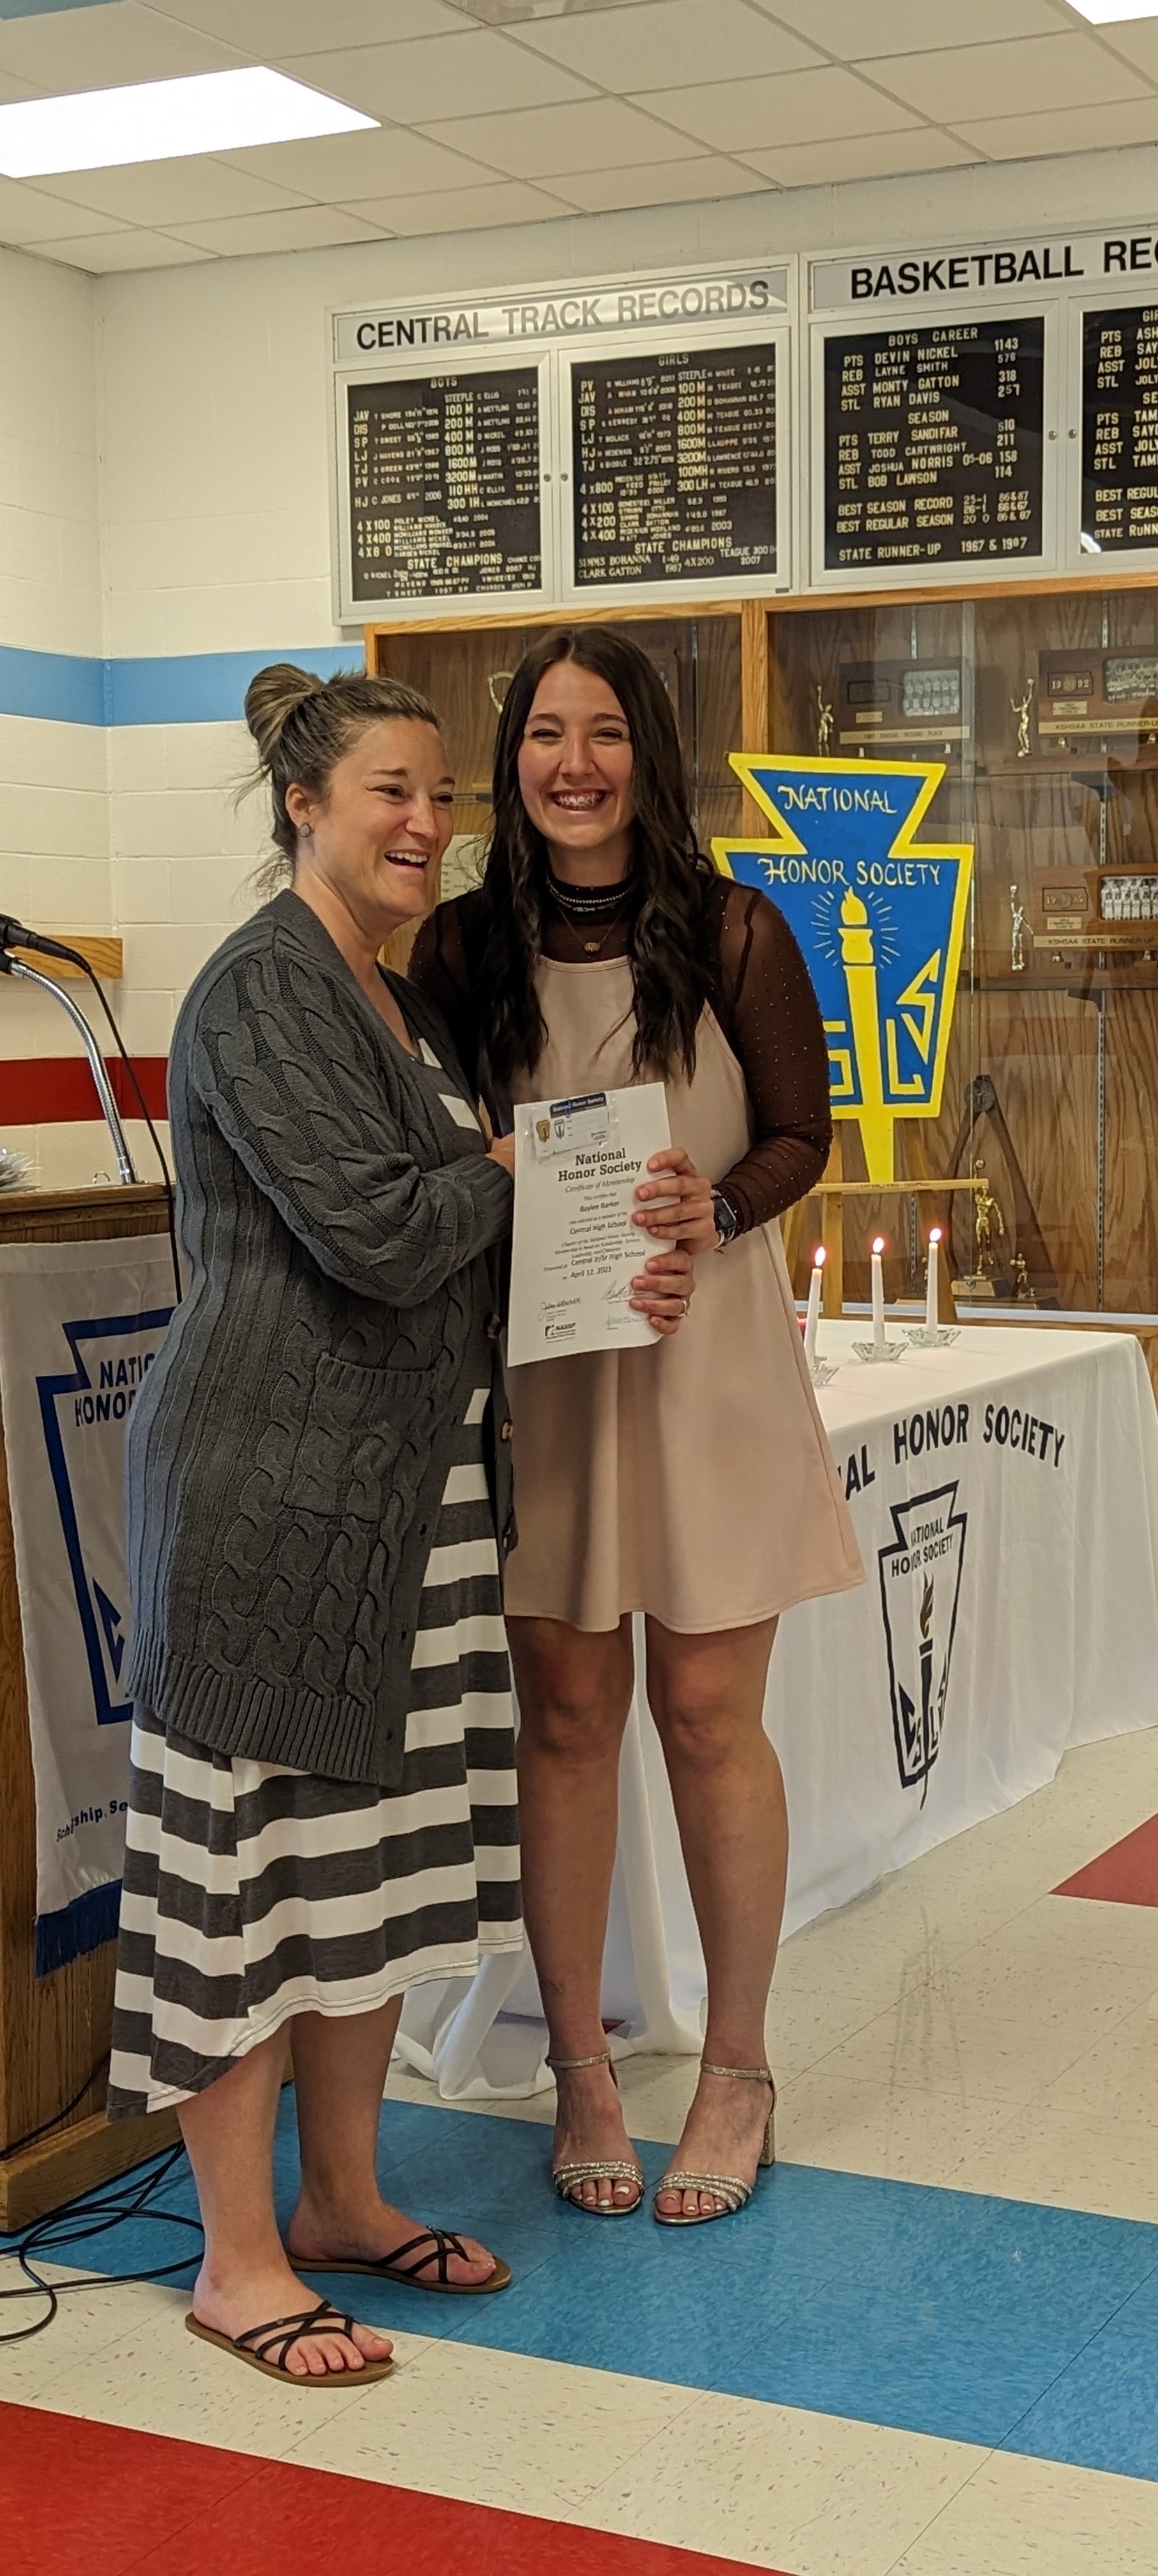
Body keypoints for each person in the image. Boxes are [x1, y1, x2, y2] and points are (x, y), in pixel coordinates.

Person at [108, 662, 694, 2382]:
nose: (430, 824)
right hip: (269, 1512)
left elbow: (471, 1240)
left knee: (360, 1883)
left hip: (405, 1513)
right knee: (247, 1890)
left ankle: (344, 2199)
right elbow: (377, 1233)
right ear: (302, 804)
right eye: (391, 793)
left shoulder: (399, 1002)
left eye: (444, 796)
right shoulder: (260, 991)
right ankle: (236, 2263)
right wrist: (520, 1173)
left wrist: (624, 1230)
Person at [410, 625, 864, 2227]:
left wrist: (712, 1210)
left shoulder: (737, 929)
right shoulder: (460, 948)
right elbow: (433, 1150)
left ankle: (737, 2067)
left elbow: (804, 1130)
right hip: (546, 1374)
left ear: (647, 754)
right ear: (512, 759)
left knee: (708, 1717)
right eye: (546, 733)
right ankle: (583, 2076)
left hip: (703, 1355)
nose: (575, 764)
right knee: (566, 1719)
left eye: (604, 732)